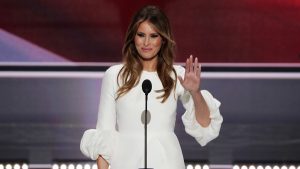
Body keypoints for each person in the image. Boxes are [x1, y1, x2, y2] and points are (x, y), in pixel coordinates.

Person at [80, 5, 223, 169]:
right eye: (141, 35)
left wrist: (195, 92)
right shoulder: (114, 75)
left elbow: (205, 127)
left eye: (153, 36)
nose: (146, 42)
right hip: (126, 161)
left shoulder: (176, 75)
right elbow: (105, 133)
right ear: (133, 37)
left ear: (163, 39)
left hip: (167, 161)